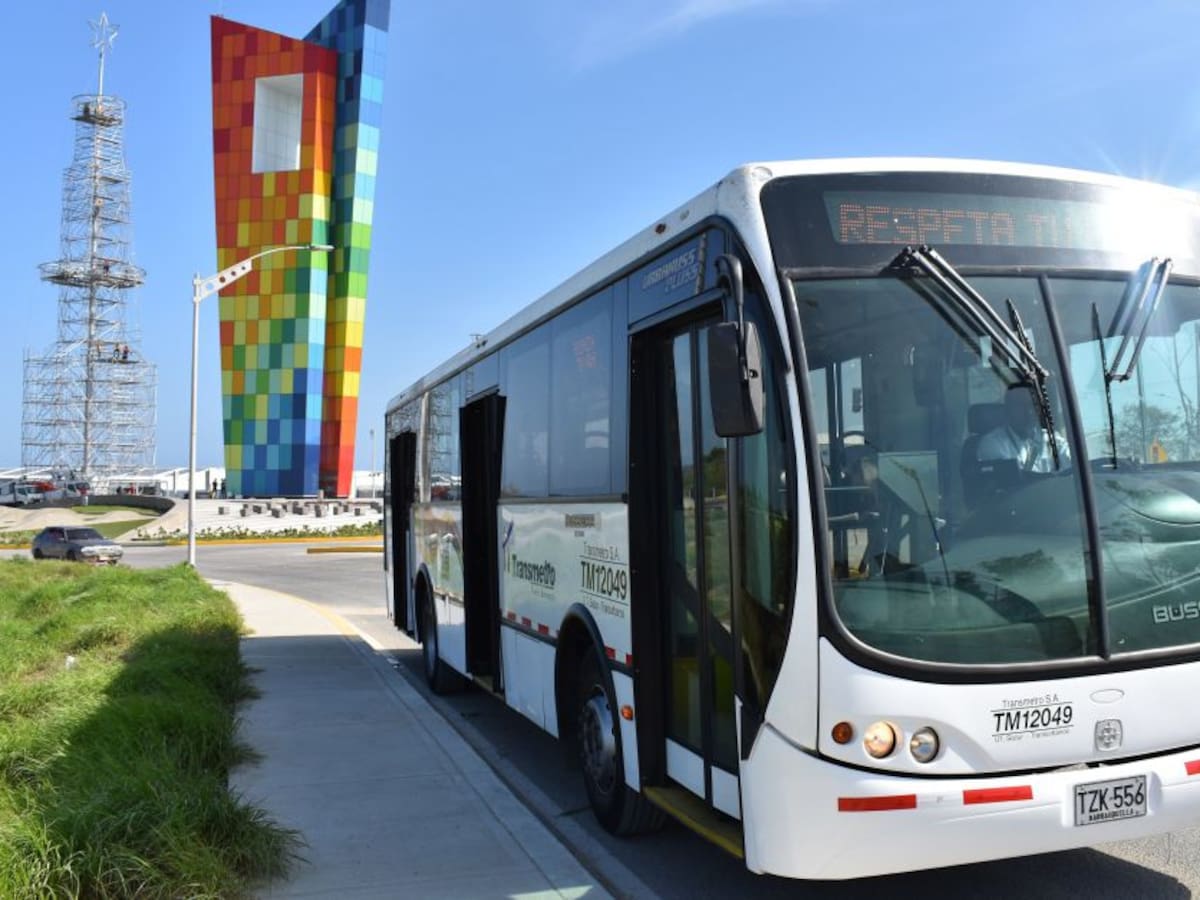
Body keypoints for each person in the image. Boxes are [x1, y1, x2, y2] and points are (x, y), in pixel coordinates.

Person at [977, 383, 1070, 473]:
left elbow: (1072, 460)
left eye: (1032, 406)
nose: (1029, 412)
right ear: (1008, 410)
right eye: (1021, 406)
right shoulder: (993, 444)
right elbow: (1011, 483)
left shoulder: (1051, 439)